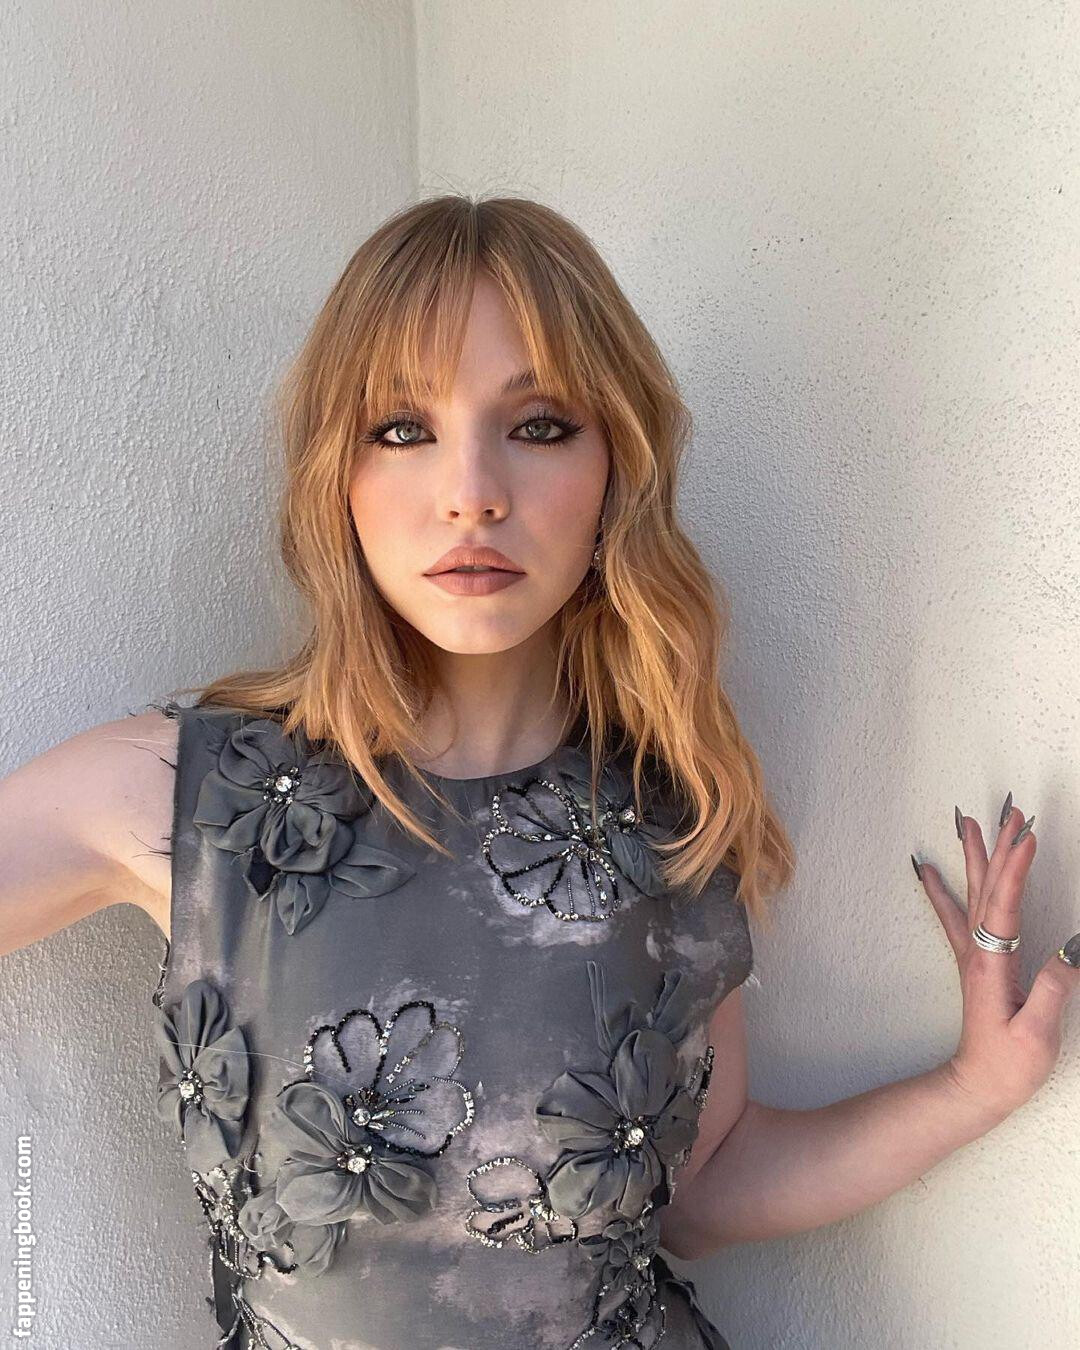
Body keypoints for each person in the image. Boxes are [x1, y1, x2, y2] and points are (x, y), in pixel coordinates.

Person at [1, 193, 1077, 1350]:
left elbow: (702, 1193)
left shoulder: (669, 817)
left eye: (542, 424)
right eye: (401, 428)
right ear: (335, 475)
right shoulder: (190, 796)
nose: (472, 490)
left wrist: (974, 1090)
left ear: (617, 468)